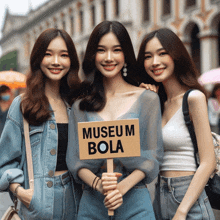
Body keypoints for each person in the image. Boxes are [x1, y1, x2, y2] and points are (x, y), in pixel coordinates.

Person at [66, 20, 163, 220]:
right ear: (93, 56)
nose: (109, 57)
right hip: (92, 201)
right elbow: (75, 160)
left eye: (116, 50)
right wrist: (98, 184)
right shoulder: (80, 106)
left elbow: (152, 156)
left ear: (126, 54)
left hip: (135, 198)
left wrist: (123, 187)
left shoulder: (148, 100)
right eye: (101, 50)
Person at [0, 28, 82, 219]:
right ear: (38, 59)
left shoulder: (77, 105)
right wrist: (20, 192)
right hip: (37, 206)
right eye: (48, 54)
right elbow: (4, 161)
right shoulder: (23, 105)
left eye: (63, 55)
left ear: (71, 61)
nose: (56, 61)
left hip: (78, 202)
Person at [137, 28, 216, 220]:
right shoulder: (157, 103)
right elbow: (144, 152)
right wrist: (146, 103)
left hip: (188, 198)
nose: (155, 62)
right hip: (159, 195)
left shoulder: (193, 98)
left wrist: (182, 211)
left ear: (176, 55)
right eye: (148, 56)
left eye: (162, 53)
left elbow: (208, 162)